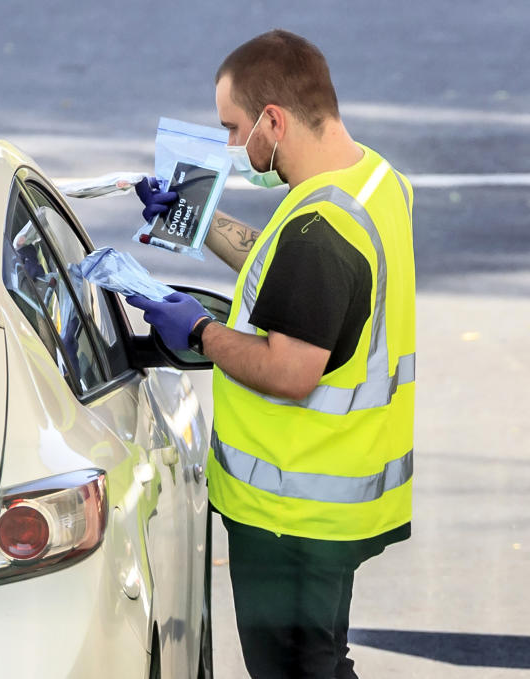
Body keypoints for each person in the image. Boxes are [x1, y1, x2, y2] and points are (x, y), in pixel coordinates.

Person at [128, 29, 415, 679]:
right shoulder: (371, 182)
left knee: (295, 669)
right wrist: (197, 221)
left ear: (273, 120)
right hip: (335, 495)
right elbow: (290, 267)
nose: (231, 147)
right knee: (315, 661)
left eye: (232, 127)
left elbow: (289, 370)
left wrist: (198, 329)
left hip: (292, 510)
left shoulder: (320, 231)